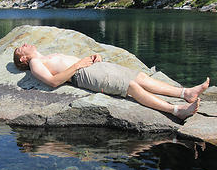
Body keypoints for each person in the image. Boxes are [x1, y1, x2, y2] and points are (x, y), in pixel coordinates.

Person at [13, 43, 210, 120]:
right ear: (23, 59)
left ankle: (185, 93)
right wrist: (79, 65)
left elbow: (67, 63)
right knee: (130, 87)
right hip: (83, 76)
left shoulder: (45, 55)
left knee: (138, 77)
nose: (24, 44)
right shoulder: (35, 63)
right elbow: (53, 82)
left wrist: (90, 58)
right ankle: (176, 111)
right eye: (20, 48)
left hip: (91, 67)